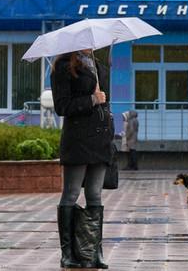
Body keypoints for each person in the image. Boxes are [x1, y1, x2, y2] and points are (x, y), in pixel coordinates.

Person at [51, 49, 112, 269]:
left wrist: (104, 108)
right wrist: (92, 99)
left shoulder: (99, 66)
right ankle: (67, 253)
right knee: (71, 194)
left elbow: (104, 102)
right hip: (78, 139)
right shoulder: (64, 67)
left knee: (95, 195)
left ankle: (95, 252)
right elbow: (62, 106)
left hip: (99, 140)